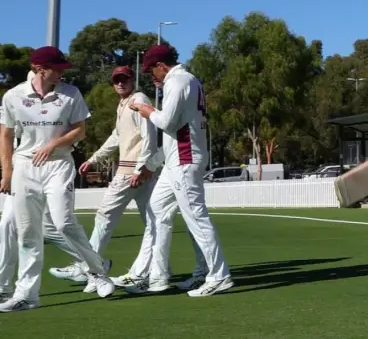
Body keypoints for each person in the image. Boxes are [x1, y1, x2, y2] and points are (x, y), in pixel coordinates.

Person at [0, 46, 115, 312]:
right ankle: (27, 295)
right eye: (58, 69)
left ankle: (97, 271)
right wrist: (7, 171)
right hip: (25, 167)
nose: (62, 73)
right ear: (40, 69)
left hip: (59, 164)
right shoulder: (14, 96)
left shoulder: (71, 93)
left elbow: (80, 131)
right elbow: (5, 135)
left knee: (63, 222)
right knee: (28, 232)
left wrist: (54, 144)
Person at [126, 44, 232, 297]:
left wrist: (146, 110)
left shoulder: (178, 81)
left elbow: (167, 122)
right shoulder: (185, 80)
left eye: (153, 70)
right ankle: (162, 276)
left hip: (185, 159)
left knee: (196, 216)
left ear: (162, 65)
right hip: (177, 160)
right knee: (157, 209)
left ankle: (219, 276)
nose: (152, 76)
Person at [51, 65, 164, 291]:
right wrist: (93, 159)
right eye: (116, 80)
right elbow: (117, 136)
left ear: (133, 79)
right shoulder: (123, 104)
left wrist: (141, 168)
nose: (120, 83)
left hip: (131, 172)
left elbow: (150, 135)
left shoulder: (138, 99)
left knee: (105, 216)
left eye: (124, 79)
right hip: (136, 172)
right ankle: (153, 273)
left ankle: (88, 268)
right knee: (154, 223)